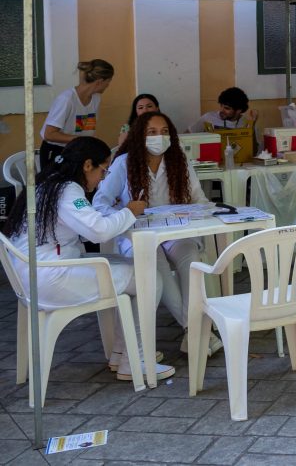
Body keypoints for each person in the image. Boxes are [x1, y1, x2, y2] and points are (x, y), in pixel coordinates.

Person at [2, 136, 174, 381]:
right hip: (51, 278)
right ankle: (136, 360)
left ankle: (120, 354)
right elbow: (99, 230)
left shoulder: (50, 182)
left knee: (128, 267)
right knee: (150, 277)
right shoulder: (68, 190)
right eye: (103, 170)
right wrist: (130, 211)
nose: (102, 178)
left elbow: (85, 222)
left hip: (35, 274)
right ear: (87, 165)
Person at [95, 112, 222, 355]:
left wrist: (191, 212)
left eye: (164, 132)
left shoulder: (179, 162)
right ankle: (195, 330)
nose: (159, 137)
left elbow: (201, 200)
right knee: (158, 267)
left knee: (192, 261)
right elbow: (100, 204)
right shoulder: (124, 164)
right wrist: (126, 211)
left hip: (174, 231)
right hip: (138, 235)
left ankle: (194, 333)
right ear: (140, 136)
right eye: (151, 132)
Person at [39, 59, 115, 172]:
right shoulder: (67, 99)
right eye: (108, 81)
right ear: (99, 81)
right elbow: (49, 134)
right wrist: (80, 140)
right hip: (56, 151)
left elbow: (87, 129)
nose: (108, 85)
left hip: (78, 151)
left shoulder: (96, 99)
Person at [188, 86, 258, 133]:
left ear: (238, 110)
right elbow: (186, 135)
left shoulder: (246, 122)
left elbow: (255, 149)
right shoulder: (208, 118)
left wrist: (252, 124)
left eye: (227, 108)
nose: (221, 110)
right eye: (221, 106)